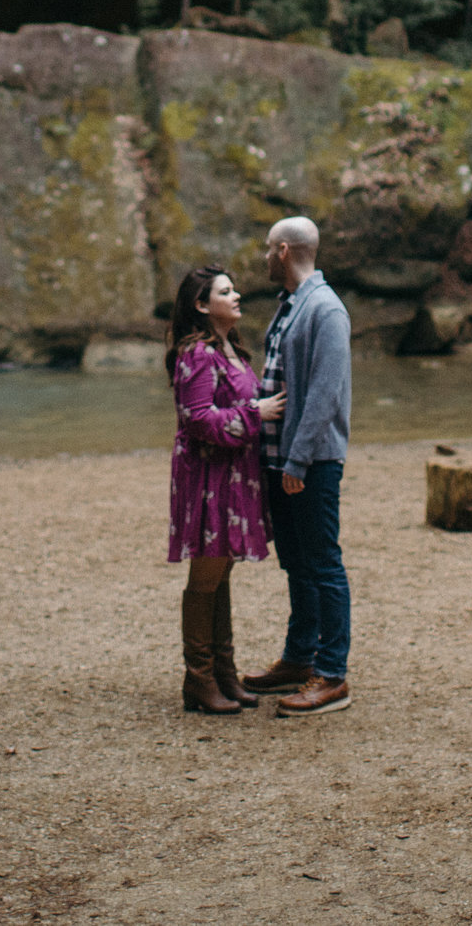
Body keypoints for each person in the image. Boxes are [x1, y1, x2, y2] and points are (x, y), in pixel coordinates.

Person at [241, 215, 354, 716]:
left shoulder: (325, 310)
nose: (264, 257)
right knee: (297, 563)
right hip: (281, 459)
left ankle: (332, 676)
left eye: (269, 249)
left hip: (309, 461)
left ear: (284, 251)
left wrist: (299, 460)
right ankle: (298, 657)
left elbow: (326, 394)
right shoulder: (291, 305)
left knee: (323, 564)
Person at [166, 263, 286, 715]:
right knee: (206, 576)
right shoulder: (197, 353)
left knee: (221, 572)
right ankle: (198, 679)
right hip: (209, 478)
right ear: (201, 305)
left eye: (235, 290)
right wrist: (257, 412)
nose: (237, 297)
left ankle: (224, 673)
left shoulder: (232, 350)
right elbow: (195, 419)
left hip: (235, 476)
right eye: (225, 291)